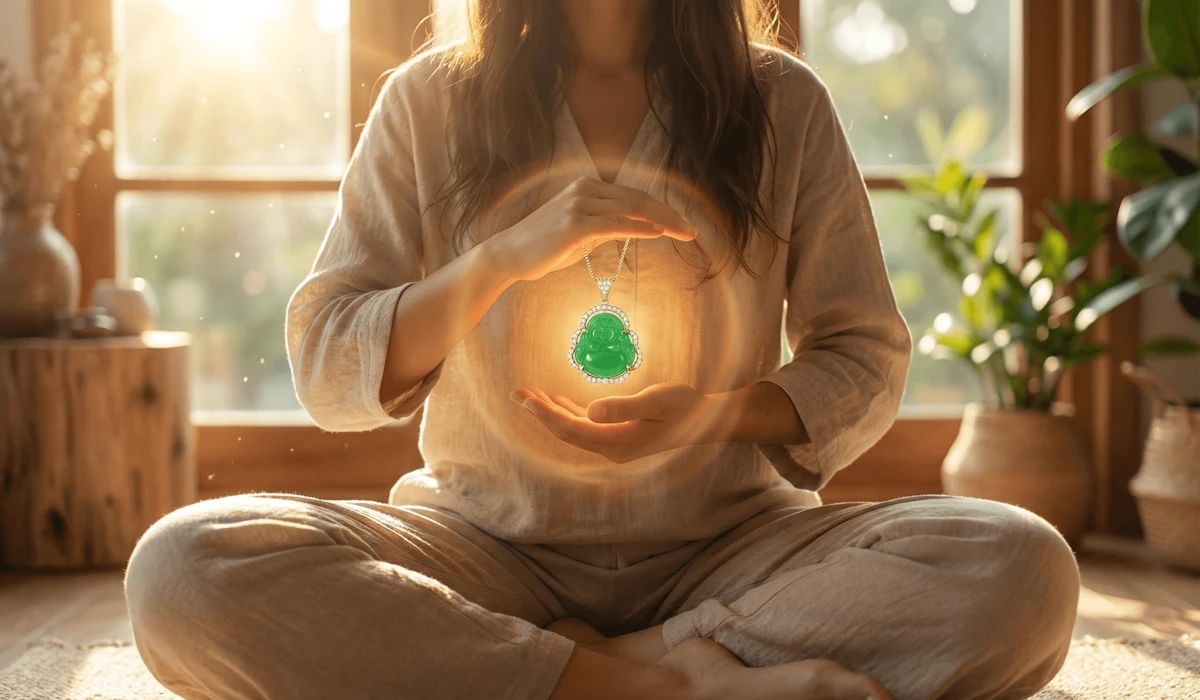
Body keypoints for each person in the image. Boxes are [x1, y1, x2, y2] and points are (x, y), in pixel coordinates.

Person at [123, 1, 1080, 698]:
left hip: (735, 550)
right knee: (183, 570)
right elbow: (329, 366)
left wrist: (719, 413)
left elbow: (864, 354)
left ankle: (588, 664)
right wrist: (502, 257)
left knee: (1022, 569)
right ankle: (659, 683)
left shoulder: (782, 100)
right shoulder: (428, 100)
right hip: (482, 545)